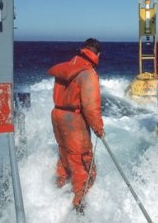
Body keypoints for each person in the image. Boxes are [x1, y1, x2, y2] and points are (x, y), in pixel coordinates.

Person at [48, 38, 105, 212]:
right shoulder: (88, 73)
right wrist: (98, 128)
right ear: (97, 54)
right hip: (73, 121)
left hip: (57, 115)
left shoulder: (67, 66)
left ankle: (57, 189)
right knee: (82, 161)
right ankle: (79, 206)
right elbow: (91, 106)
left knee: (65, 154)